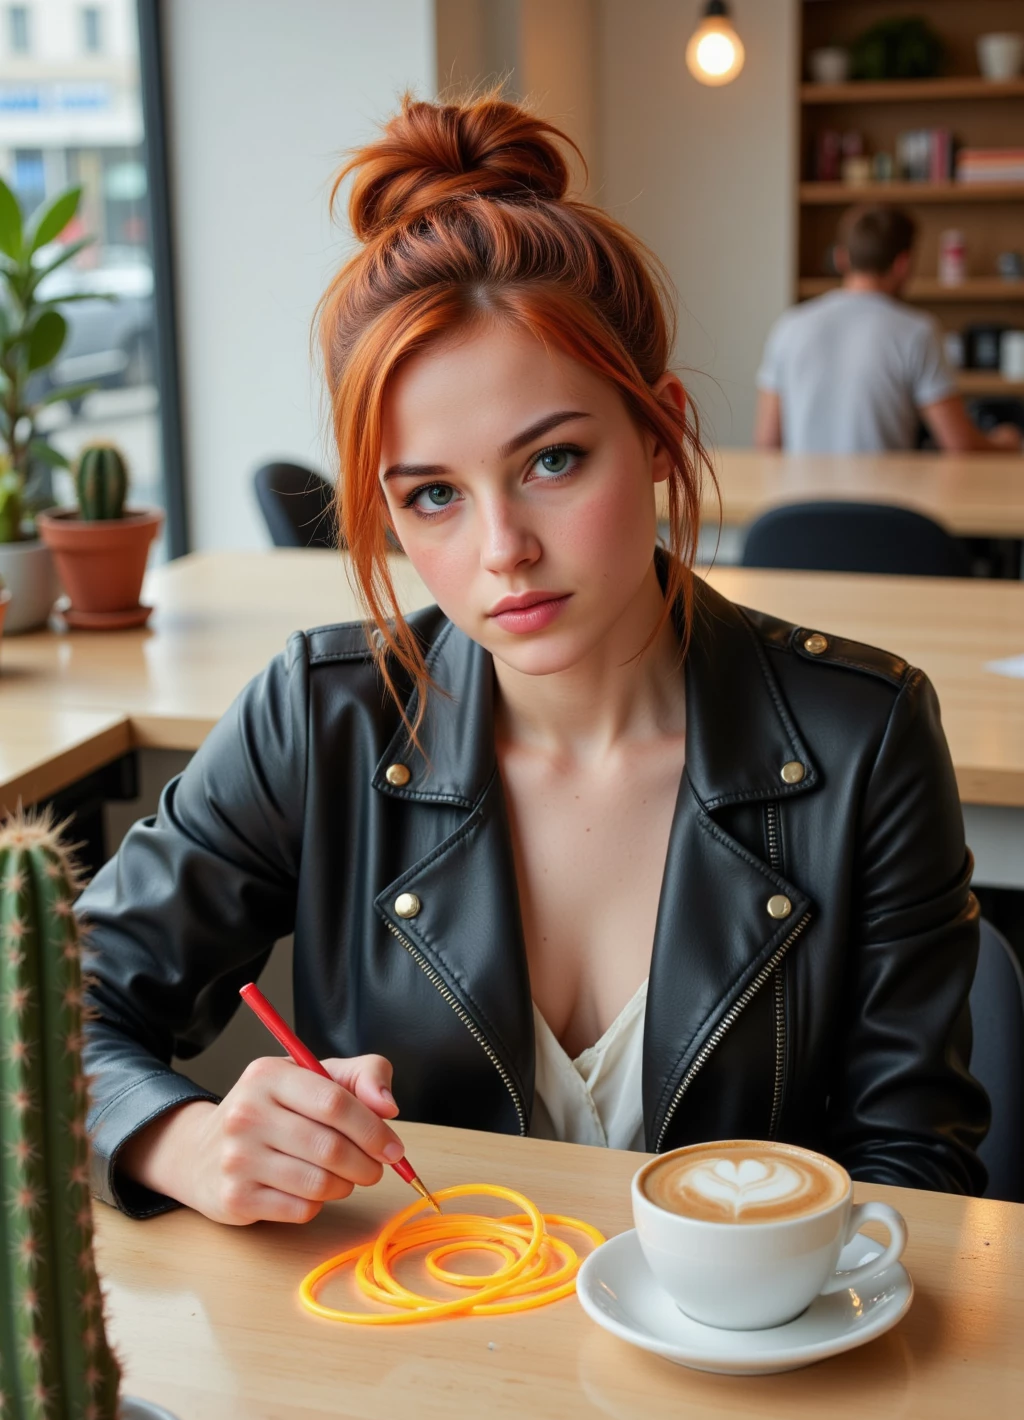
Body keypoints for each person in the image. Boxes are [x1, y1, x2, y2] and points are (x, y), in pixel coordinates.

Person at [79, 95, 989, 1228]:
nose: (501, 551)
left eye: (553, 459)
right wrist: (188, 1137)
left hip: (751, 1382)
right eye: (433, 496)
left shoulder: (866, 734)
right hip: (413, 1350)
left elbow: (919, 1169)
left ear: (659, 433)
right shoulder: (323, 718)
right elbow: (54, 1012)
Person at [754, 203, 1022, 453]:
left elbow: (767, 444)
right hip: (880, 502)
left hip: (800, 502)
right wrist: (1006, 441)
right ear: (902, 264)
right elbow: (960, 446)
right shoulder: (917, 332)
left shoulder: (790, 326)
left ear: (841, 258)